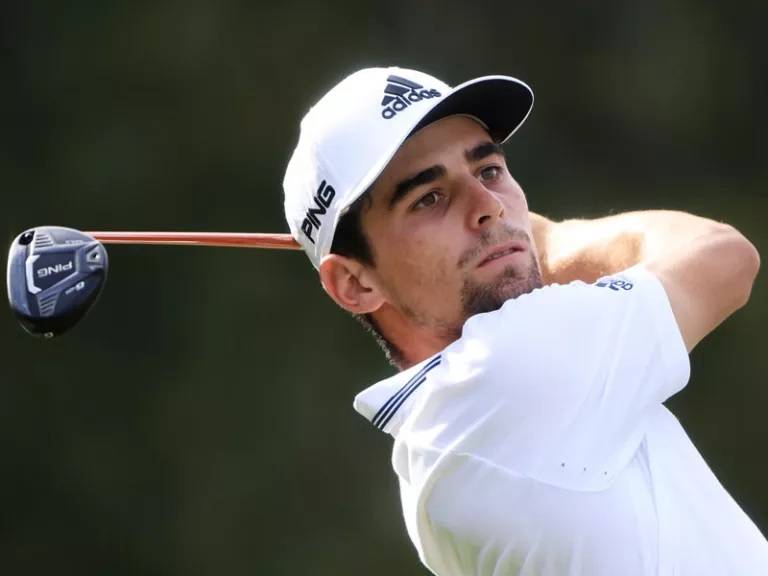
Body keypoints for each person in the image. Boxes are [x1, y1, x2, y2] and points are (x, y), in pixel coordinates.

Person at [282, 66, 767, 575]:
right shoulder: (507, 370)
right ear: (354, 284)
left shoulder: (431, 451)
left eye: (488, 171)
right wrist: (547, 239)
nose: (489, 207)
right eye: (429, 198)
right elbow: (723, 257)